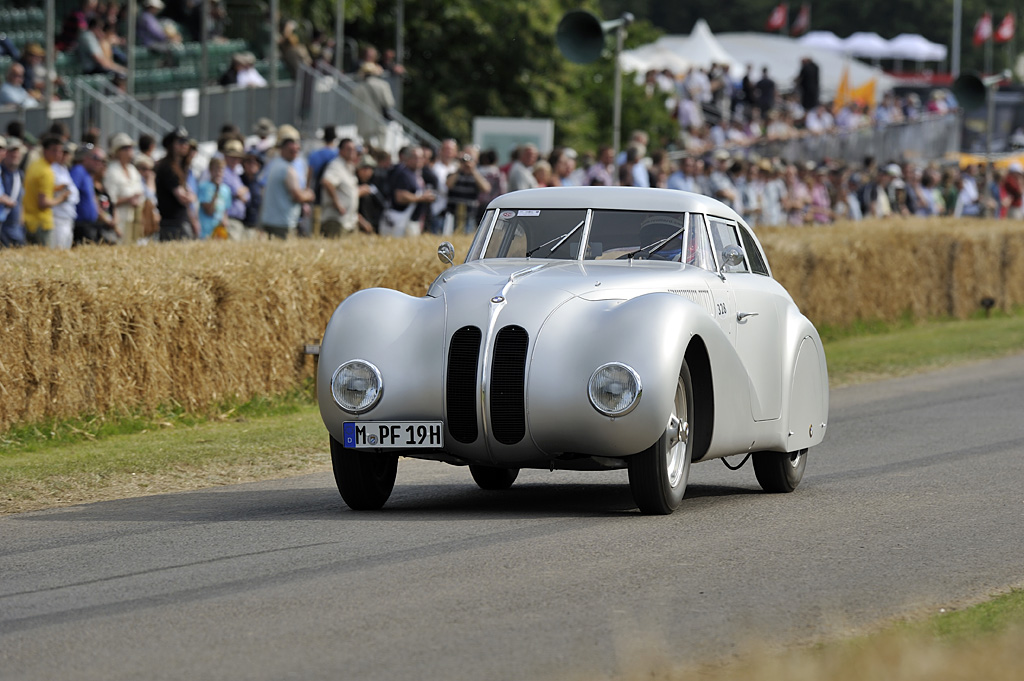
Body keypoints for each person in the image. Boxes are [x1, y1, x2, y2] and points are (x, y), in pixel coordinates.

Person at [260, 125, 314, 239]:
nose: (296, 148)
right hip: (283, 222)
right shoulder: (287, 169)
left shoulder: (273, 165)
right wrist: (309, 195)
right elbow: (297, 196)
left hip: (271, 220)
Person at [22, 135, 71, 247]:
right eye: (54, 150)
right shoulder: (46, 172)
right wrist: (62, 198)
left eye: (60, 151)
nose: (58, 154)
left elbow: (36, 190)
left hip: (30, 221)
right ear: (45, 150)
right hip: (41, 223)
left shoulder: (35, 165)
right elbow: (43, 203)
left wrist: (56, 188)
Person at [380, 145, 435, 238]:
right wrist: (422, 198)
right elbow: (400, 196)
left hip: (410, 220)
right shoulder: (403, 173)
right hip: (400, 221)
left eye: (421, 157)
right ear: (407, 158)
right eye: (415, 157)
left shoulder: (415, 173)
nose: (419, 160)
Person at [154, 127, 195, 241]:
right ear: (171, 145)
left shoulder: (181, 167)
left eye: (186, 142)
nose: (185, 145)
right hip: (171, 224)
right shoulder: (167, 167)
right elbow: (183, 197)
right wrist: (192, 197)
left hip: (180, 220)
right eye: (181, 142)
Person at [104, 132, 145, 243]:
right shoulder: (111, 171)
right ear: (117, 152)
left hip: (134, 217)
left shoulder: (132, 170)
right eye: (125, 148)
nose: (129, 151)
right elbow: (109, 200)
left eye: (130, 148)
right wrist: (128, 199)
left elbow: (140, 191)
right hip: (119, 218)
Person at [320, 137, 361, 237]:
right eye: (348, 149)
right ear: (340, 151)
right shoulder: (336, 165)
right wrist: (337, 202)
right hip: (336, 220)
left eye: (353, 149)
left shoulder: (349, 166)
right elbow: (327, 182)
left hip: (348, 221)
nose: (352, 152)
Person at [446, 147, 491, 234]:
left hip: (470, 215)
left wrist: (473, 170)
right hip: (453, 214)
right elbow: (449, 184)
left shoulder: (477, 175)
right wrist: (459, 169)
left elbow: (486, 188)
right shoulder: (454, 173)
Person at [353, 62, 395, 148]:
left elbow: (354, 107)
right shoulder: (383, 85)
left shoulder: (358, 88)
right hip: (379, 120)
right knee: (381, 145)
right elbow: (389, 103)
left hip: (364, 120)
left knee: (366, 147)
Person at [70, 143, 105, 243]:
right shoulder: (78, 171)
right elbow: (70, 195)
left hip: (89, 225)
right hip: (80, 225)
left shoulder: (87, 174)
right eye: (95, 158)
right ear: (85, 158)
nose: (98, 162)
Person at [219, 139, 250, 240]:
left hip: (237, 219)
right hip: (229, 218)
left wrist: (242, 192)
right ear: (225, 156)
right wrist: (243, 191)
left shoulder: (235, 173)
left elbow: (246, 196)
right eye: (232, 157)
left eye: (238, 158)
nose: (235, 160)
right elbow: (237, 192)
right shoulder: (223, 172)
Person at [0, 136, 26, 247]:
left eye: (17, 151)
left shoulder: (19, 174)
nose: (14, 155)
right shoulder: (2, 172)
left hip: (16, 229)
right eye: (11, 151)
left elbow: (20, 200)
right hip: (3, 227)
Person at [198, 156, 231, 239]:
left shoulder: (226, 189)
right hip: (206, 230)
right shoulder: (204, 187)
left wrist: (225, 220)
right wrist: (216, 192)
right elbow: (208, 210)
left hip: (219, 230)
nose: (218, 173)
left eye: (221, 170)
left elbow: (225, 210)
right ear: (210, 170)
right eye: (215, 170)